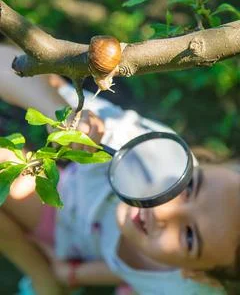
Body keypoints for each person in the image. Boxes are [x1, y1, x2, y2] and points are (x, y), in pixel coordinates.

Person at [0, 45, 239, 295]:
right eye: (189, 186)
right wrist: (60, 113)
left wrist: (74, 274)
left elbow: (129, 270)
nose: (161, 210)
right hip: (64, 207)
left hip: (85, 247)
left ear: (198, 275)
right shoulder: (143, 148)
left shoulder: (184, 289)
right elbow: (9, 63)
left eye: (189, 236)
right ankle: (43, 278)